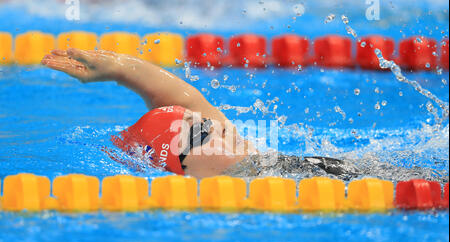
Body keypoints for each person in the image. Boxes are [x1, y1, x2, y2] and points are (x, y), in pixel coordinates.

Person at [41, 48, 360, 179]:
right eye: (202, 134)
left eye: (205, 122)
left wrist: (118, 69)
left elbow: (183, 100)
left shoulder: (275, 165)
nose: (218, 128)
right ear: (183, 167)